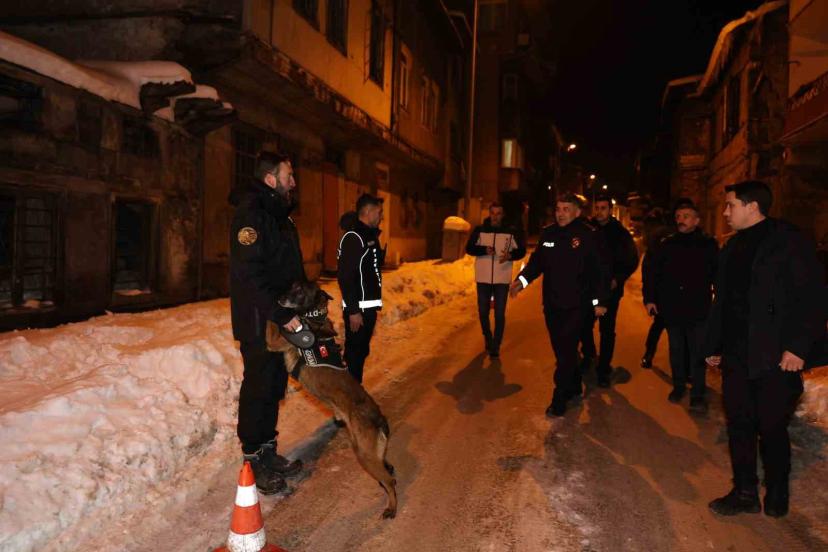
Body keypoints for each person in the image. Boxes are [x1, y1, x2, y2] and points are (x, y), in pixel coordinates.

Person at [705, 181, 825, 518]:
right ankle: (744, 491)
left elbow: (813, 297)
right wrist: (715, 345)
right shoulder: (732, 247)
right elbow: (723, 302)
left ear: (752, 206)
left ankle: (777, 490)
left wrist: (797, 347)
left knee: (772, 427)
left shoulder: (788, 241)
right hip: (737, 354)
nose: (725, 213)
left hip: (776, 356)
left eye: (730, 205)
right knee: (739, 424)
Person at [229, 152, 304, 494]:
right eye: (289, 175)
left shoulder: (279, 215)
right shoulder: (251, 215)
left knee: (274, 384)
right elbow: (250, 276)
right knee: (258, 387)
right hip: (259, 319)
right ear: (271, 179)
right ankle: (252, 459)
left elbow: (287, 269)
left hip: (278, 318)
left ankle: (268, 451)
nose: (293, 181)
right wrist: (280, 312)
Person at [510, 192, 610, 417]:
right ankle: (573, 384)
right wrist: (521, 281)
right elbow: (537, 264)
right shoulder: (549, 234)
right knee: (562, 350)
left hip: (578, 306)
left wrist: (600, 301)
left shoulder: (589, 235)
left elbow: (600, 271)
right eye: (558, 209)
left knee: (565, 351)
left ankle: (559, 397)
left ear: (577, 212)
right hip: (552, 304)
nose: (560, 214)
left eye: (566, 209)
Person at [642, 199, 717, 413]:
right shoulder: (667, 244)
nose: (680, 220)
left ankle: (698, 394)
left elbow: (718, 275)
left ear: (697, 220)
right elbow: (653, 273)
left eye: (686, 216)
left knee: (697, 352)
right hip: (672, 307)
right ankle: (678, 386)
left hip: (698, 308)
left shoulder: (708, 245)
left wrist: (719, 303)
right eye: (678, 217)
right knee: (676, 350)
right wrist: (650, 299)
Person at [579, 195, 639, 386]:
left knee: (607, 329)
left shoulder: (619, 233)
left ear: (610, 210)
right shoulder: (587, 229)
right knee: (583, 324)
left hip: (610, 291)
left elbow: (632, 260)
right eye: (597, 208)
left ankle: (603, 369)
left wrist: (618, 279)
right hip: (588, 290)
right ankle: (589, 355)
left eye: (603, 208)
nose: (599, 212)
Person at [465, 202, 526, 358]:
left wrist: (510, 255)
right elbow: (469, 248)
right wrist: (483, 250)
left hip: (502, 279)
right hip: (483, 278)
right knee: (483, 312)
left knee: (499, 314)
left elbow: (521, 251)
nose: (495, 216)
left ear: (502, 215)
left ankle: (496, 345)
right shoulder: (480, 230)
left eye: (498, 213)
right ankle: (488, 337)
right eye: (493, 213)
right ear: (489, 214)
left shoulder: (510, 231)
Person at [338, 193, 385, 384]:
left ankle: (354, 393)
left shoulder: (368, 235)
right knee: (354, 356)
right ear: (368, 211)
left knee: (360, 353)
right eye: (379, 212)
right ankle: (350, 398)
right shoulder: (353, 237)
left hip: (368, 308)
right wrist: (354, 311)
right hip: (359, 310)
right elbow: (346, 277)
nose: (381, 217)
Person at [640, 207, 672, 368]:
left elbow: (648, 273)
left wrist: (649, 298)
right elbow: (648, 273)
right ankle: (649, 354)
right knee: (664, 326)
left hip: (666, 292)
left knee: (661, 326)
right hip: (665, 293)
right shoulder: (662, 238)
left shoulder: (660, 240)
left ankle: (649, 354)